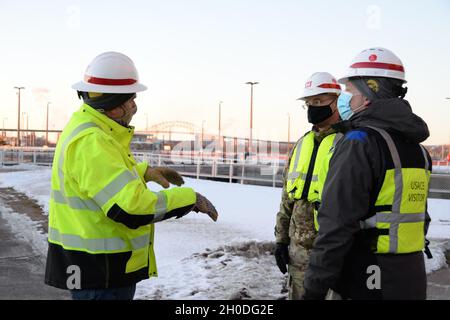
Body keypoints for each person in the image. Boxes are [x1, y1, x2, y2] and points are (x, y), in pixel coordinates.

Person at [44, 52, 218, 300]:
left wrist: (144, 172)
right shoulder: (93, 141)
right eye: (130, 99)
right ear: (113, 105)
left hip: (94, 269)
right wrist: (189, 199)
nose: (134, 106)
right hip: (101, 275)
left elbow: (98, 181)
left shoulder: (88, 128)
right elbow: (131, 209)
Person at [303, 47, 432, 300]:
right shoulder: (417, 149)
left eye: (350, 91)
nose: (346, 99)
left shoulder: (359, 142)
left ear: (369, 93)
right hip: (410, 276)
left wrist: (314, 288)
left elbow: (336, 224)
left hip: (367, 277)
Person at [274, 72, 342, 299]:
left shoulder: (349, 143)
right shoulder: (302, 144)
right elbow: (287, 198)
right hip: (298, 254)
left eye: (320, 101)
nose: (313, 107)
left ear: (337, 102)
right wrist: (281, 240)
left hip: (333, 254)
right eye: (309, 103)